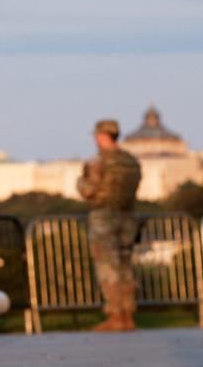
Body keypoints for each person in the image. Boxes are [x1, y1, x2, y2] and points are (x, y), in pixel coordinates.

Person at [76, 119, 141, 332]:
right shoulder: (131, 161)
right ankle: (128, 316)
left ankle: (115, 315)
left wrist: (80, 182)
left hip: (104, 217)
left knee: (107, 266)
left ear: (102, 136)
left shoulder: (98, 162)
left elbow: (89, 190)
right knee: (125, 266)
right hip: (127, 217)